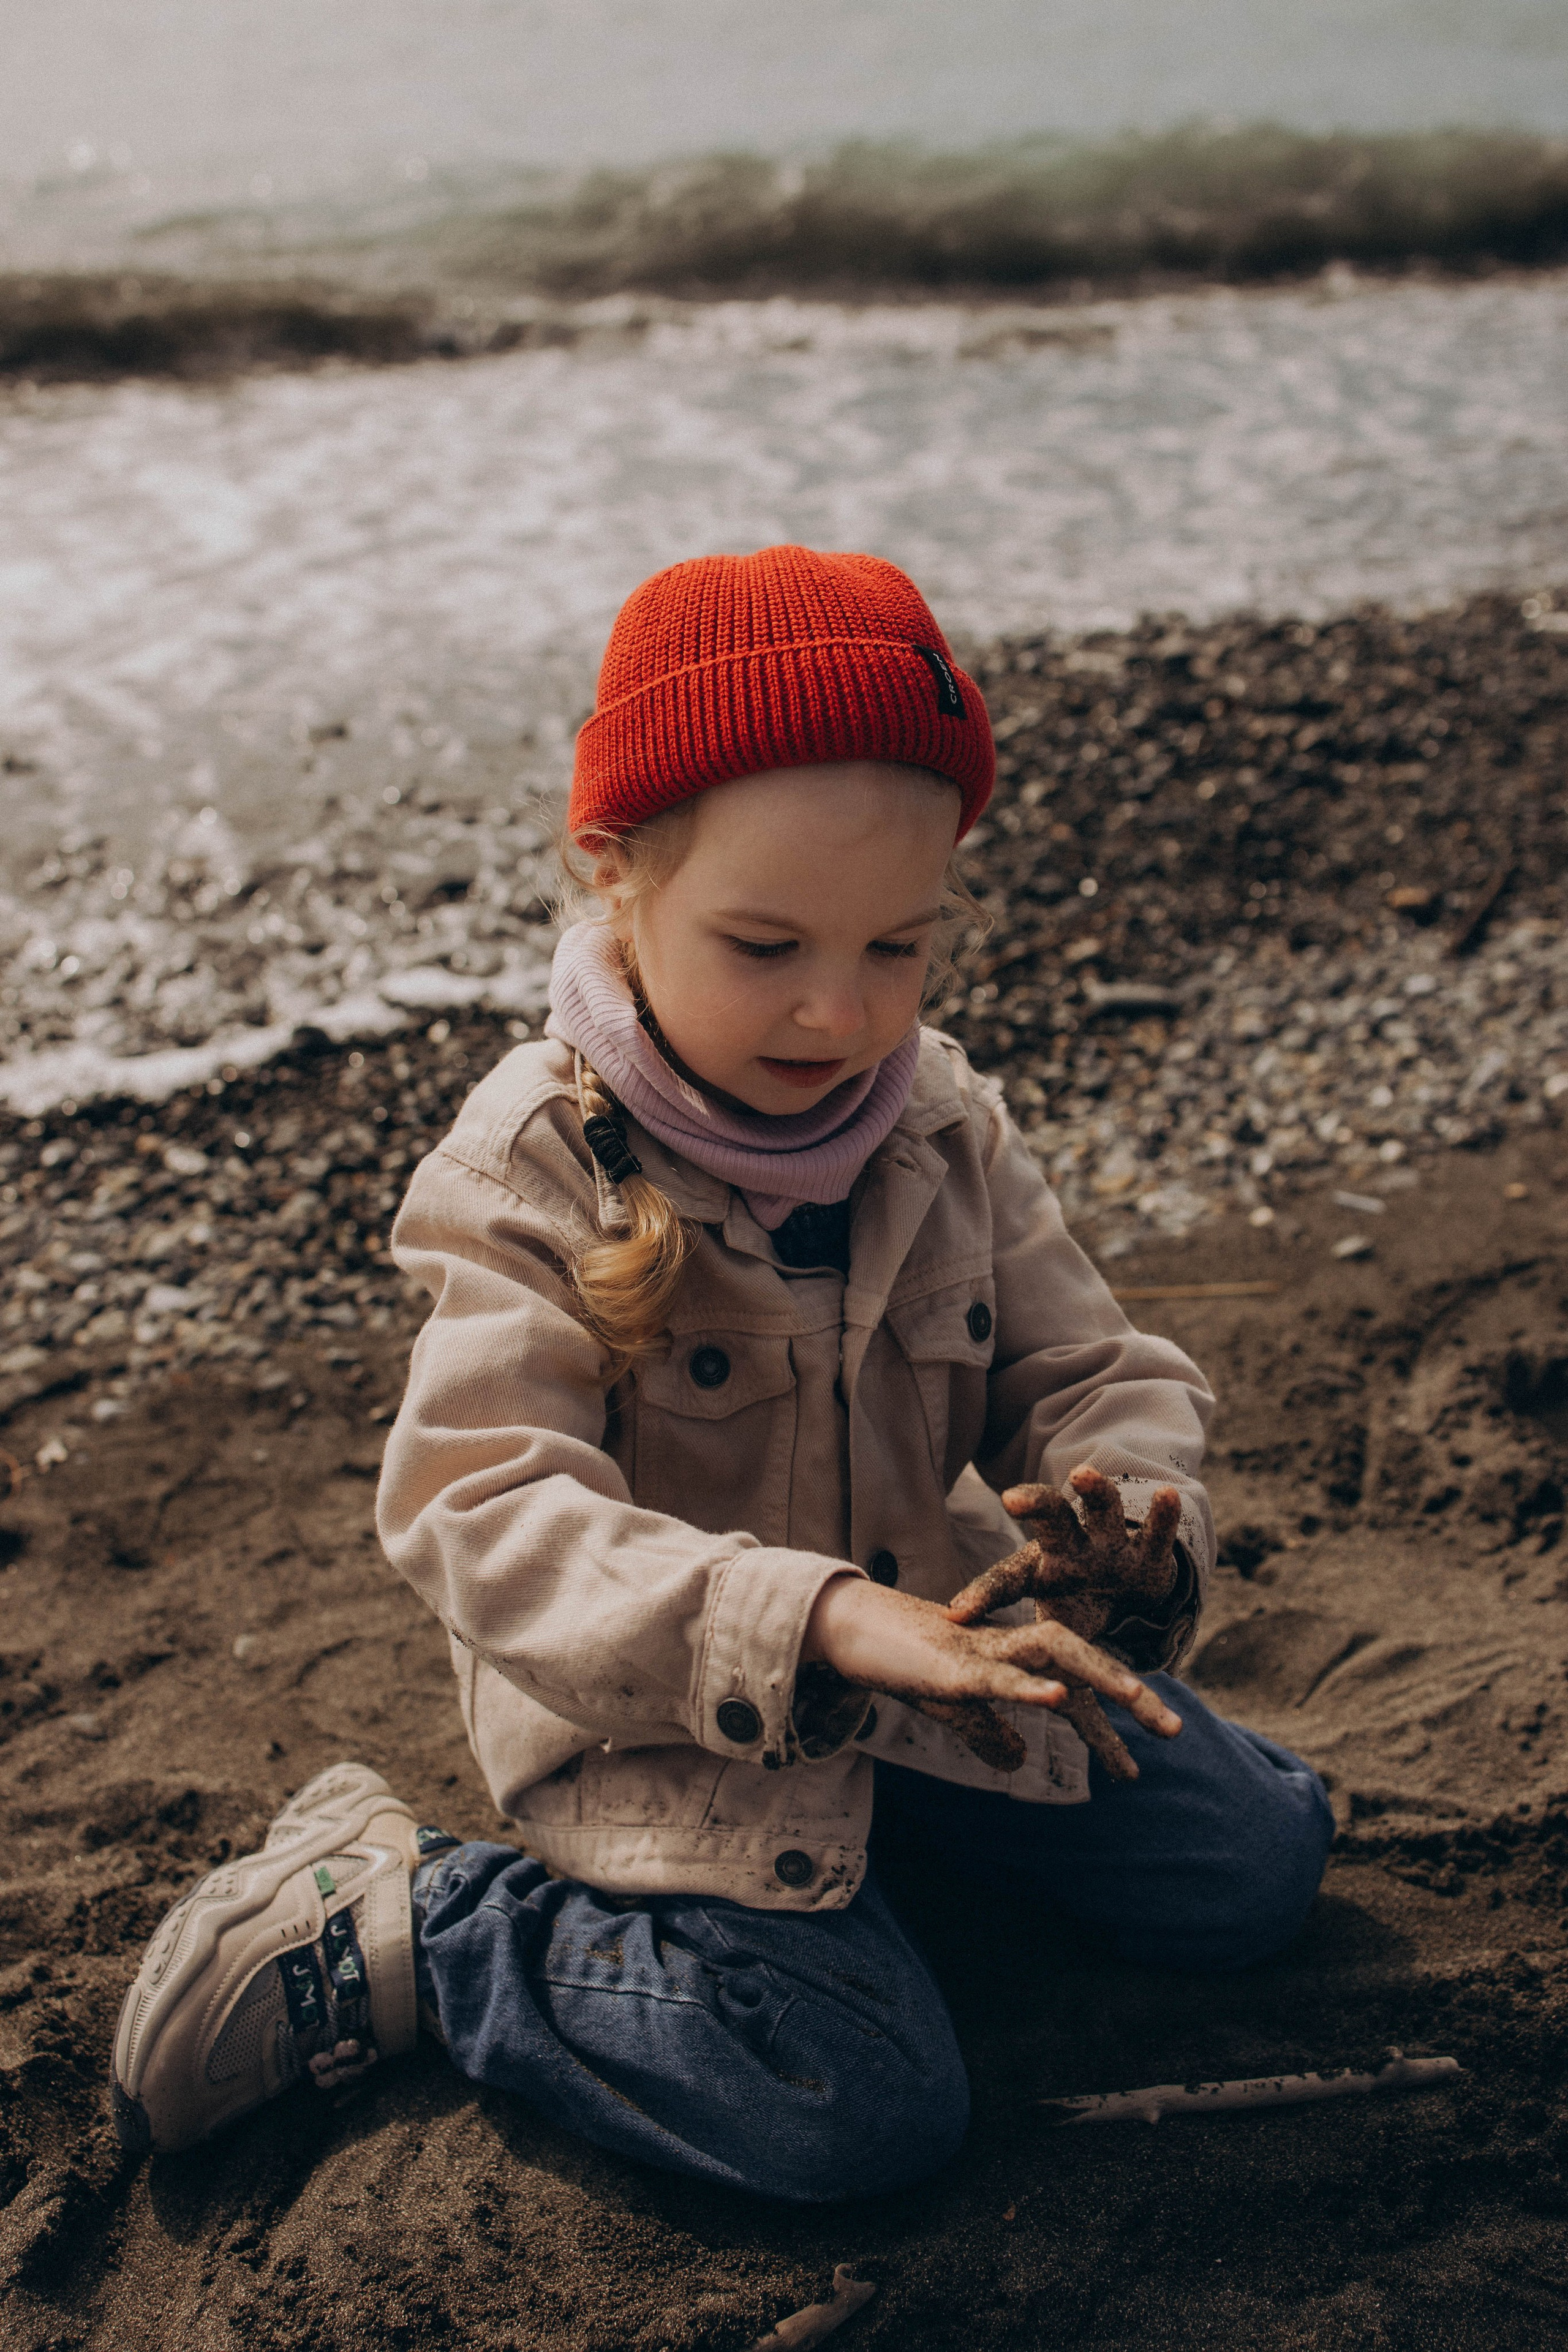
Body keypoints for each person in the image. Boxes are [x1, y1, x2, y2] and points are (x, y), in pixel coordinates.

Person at [110, 546, 1333, 2196]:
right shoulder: (536, 1164)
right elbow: (481, 1510)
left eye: (899, 947)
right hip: (662, 1727)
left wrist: (1134, 1513)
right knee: (855, 2105)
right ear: (614, 875)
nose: (841, 1012)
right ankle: (424, 1924)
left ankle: (882, 1881)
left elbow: (1100, 1363)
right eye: (765, 946)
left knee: (1261, 1862)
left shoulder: (940, 1120)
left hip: (936, 1680)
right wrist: (813, 1619)